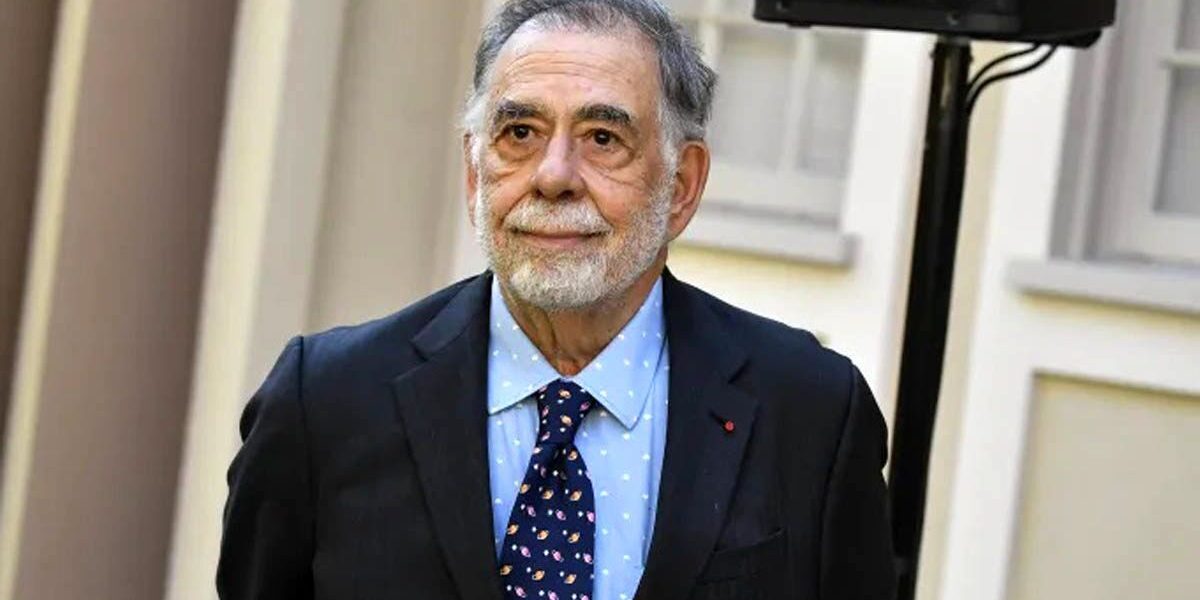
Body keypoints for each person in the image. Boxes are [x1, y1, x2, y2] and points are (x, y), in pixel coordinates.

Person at [216, 0, 895, 598]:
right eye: (520, 134)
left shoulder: (809, 413)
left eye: (603, 138)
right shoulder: (325, 403)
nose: (553, 176)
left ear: (682, 186)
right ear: (475, 173)